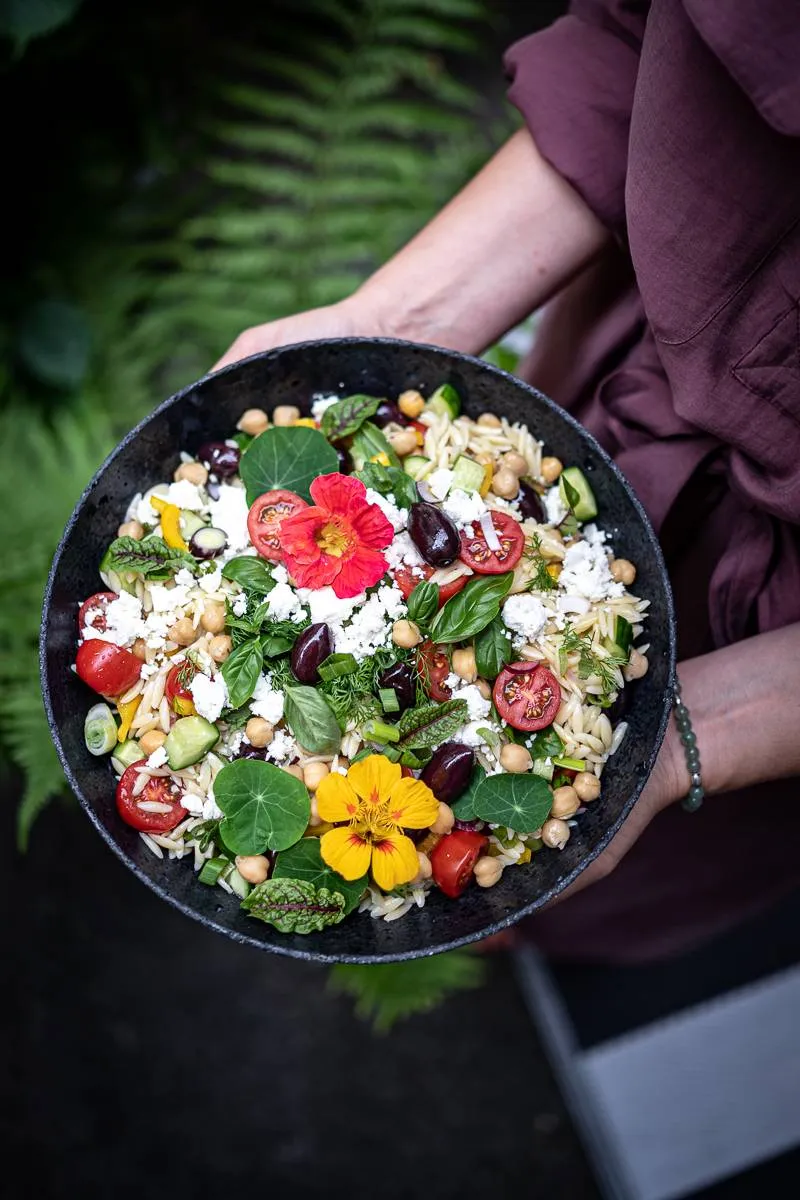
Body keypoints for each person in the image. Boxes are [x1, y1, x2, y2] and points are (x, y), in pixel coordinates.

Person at [214, 1, 800, 962]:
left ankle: (514, 933)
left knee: (604, 865)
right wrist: (395, 319)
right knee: (519, 855)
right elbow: (645, 47)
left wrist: (697, 739)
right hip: (659, 335)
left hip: (777, 675)